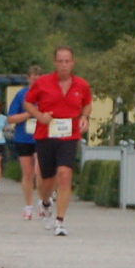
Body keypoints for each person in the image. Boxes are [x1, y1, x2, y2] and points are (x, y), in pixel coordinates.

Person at [24, 47, 94, 237]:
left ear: (73, 63)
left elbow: (87, 103)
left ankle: (60, 220)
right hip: (45, 135)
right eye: (60, 61)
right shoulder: (42, 83)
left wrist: (85, 117)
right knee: (46, 180)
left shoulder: (81, 85)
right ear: (54, 63)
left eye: (67, 61)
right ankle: (46, 203)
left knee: (64, 174)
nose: (64, 65)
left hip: (69, 136)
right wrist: (39, 115)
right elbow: (28, 102)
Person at [7, 66, 44, 219]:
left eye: (39, 78)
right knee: (27, 173)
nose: (36, 80)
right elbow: (11, 118)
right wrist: (29, 114)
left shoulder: (46, 94)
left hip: (41, 137)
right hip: (23, 137)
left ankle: (42, 202)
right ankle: (28, 206)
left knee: (39, 171)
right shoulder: (21, 95)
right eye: (33, 77)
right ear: (28, 78)